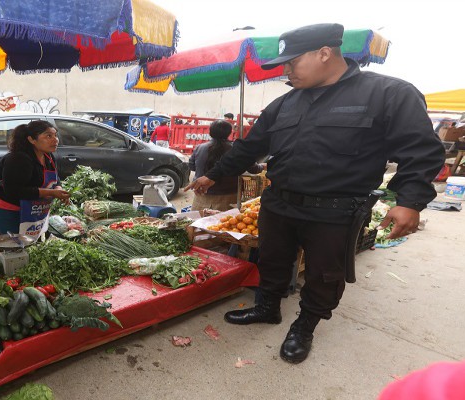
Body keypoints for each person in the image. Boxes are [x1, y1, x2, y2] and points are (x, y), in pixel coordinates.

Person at [185, 23, 445, 364]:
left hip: (335, 211)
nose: (286, 71)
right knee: (273, 260)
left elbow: (421, 150)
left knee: (325, 274)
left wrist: (410, 201)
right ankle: (267, 307)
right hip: (278, 204)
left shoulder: (387, 93)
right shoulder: (284, 105)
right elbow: (250, 147)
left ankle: (305, 325)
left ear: (325, 53)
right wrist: (211, 175)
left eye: (292, 62)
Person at [0, 121, 69, 239]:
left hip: (31, 207)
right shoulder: (18, 159)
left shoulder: (48, 156)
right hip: (7, 207)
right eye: (48, 136)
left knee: (30, 241)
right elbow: (14, 191)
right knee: (17, 242)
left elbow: (55, 177)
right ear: (32, 140)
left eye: (55, 135)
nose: (55, 140)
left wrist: (58, 188)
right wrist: (51, 193)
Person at [188, 120, 263, 211]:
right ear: (229, 132)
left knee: (198, 223)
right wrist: (263, 166)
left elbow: (192, 166)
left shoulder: (200, 147)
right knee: (223, 224)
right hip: (228, 197)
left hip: (201, 194)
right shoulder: (235, 150)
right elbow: (253, 169)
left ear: (210, 132)